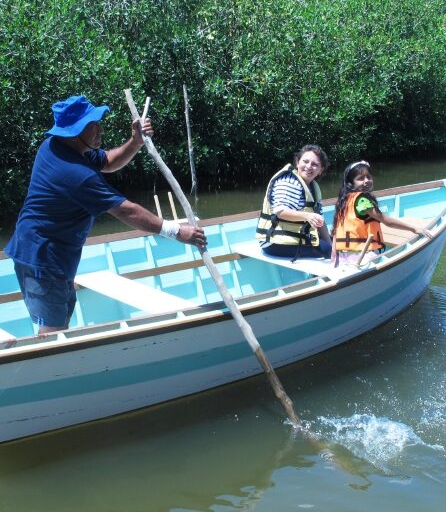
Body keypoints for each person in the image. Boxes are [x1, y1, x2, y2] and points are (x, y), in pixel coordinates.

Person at [5, 95, 206, 335]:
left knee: (60, 317)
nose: (100, 128)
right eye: (93, 125)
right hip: (42, 258)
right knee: (53, 332)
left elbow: (108, 162)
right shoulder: (75, 174)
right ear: (75, 132)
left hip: (46, 253)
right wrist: (176, 231)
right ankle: (50, 369)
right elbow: (125, 210)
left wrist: (135, 141)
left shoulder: (60, 146)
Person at [331, 160, 432, 266]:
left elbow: (336, 230)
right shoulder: (362, 201)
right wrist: (414, 228)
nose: (366, 181)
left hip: (343, 256)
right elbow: (386, 221)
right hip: (362, 256)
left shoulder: (344, 201)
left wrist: (333, 253)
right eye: (360, 178)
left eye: (368, 177)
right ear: (351, 183)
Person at [256, 144, 332, 260]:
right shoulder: (289, 182)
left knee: (332, 245)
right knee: (327, 250)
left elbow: (320, 220)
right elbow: (280, 212)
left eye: (315, 164)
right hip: (273, 242)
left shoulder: (312, 187)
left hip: (291, 238)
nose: (309, 166)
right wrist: (307, 216)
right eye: (305, 161)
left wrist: (330, 243)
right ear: (297, 162)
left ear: (321, 170)